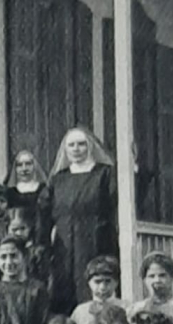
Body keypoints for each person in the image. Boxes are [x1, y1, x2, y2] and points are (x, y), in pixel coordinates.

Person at [44, 127, 118, 313]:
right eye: (71, 145)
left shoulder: (104, 174)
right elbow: (44, 213)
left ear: (90, 147)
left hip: (96, 242)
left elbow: (118, 202)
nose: (76, 149)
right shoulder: (58, 179)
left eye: (81, 144)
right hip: (64, 248)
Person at [70, 255, 125, 324]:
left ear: (116, 282)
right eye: (97, 282)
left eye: (107, 281)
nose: (102, 287)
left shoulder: (126, 308)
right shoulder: (80, 312)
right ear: (89, 283)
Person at [4, 150, 50, 245]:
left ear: (34, 166)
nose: (24, 169)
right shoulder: (10, 192)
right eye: (20, 165)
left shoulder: (43, 189)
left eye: (28, 164)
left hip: (41, 234)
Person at [5, 206, 51, 285]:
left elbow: (45, 277)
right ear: (7, 229)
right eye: (14, 230)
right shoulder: (4, 250)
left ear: (30, 228)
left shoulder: (37, 252)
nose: (19, 233)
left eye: (23, 229)